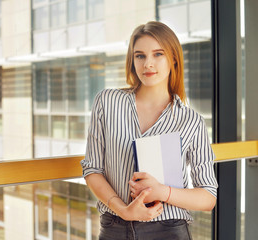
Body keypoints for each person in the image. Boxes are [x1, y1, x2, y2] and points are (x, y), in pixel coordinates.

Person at [81, 21, 218, 240]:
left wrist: (162, 191)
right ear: (132, 60)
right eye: (140, 56)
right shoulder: (107, 102)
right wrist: (123, 210)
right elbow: (92, 169)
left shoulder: (191, 121)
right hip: (115, 226)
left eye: (158, 54)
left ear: (173, 58)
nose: (148, 64)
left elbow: (208, 196)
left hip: (169, 229)